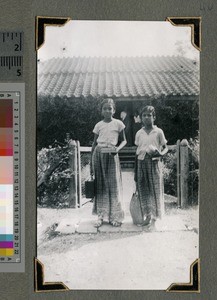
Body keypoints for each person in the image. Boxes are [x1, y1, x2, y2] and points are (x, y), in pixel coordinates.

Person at [91, 98, 127, 228]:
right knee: (100, 185)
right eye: (105, 108)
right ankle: (101, 216)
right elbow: (94, 143)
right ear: (101, 111)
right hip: (99, 154)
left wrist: (117, 149)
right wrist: (91, 161)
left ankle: (114, 217)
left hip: (112, 154)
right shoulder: (98, 125)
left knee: (113, 185)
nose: (107, 110)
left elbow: (124, 141)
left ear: (114, 110)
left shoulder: (118, 124)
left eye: (110, 108)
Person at [134, 106, 168, 227]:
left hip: (154, 163)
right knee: (144, 190)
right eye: (144, 115)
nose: (147, 117)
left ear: (154, 117)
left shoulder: (158, 132)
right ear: (141, 118)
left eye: (149, 115)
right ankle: (147, 216)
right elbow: (137, 150)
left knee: (155, 189)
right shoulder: (139, 133)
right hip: (141, 162)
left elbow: (165, 147)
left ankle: (155, 217)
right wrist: (135, 170)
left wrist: (161, 153)